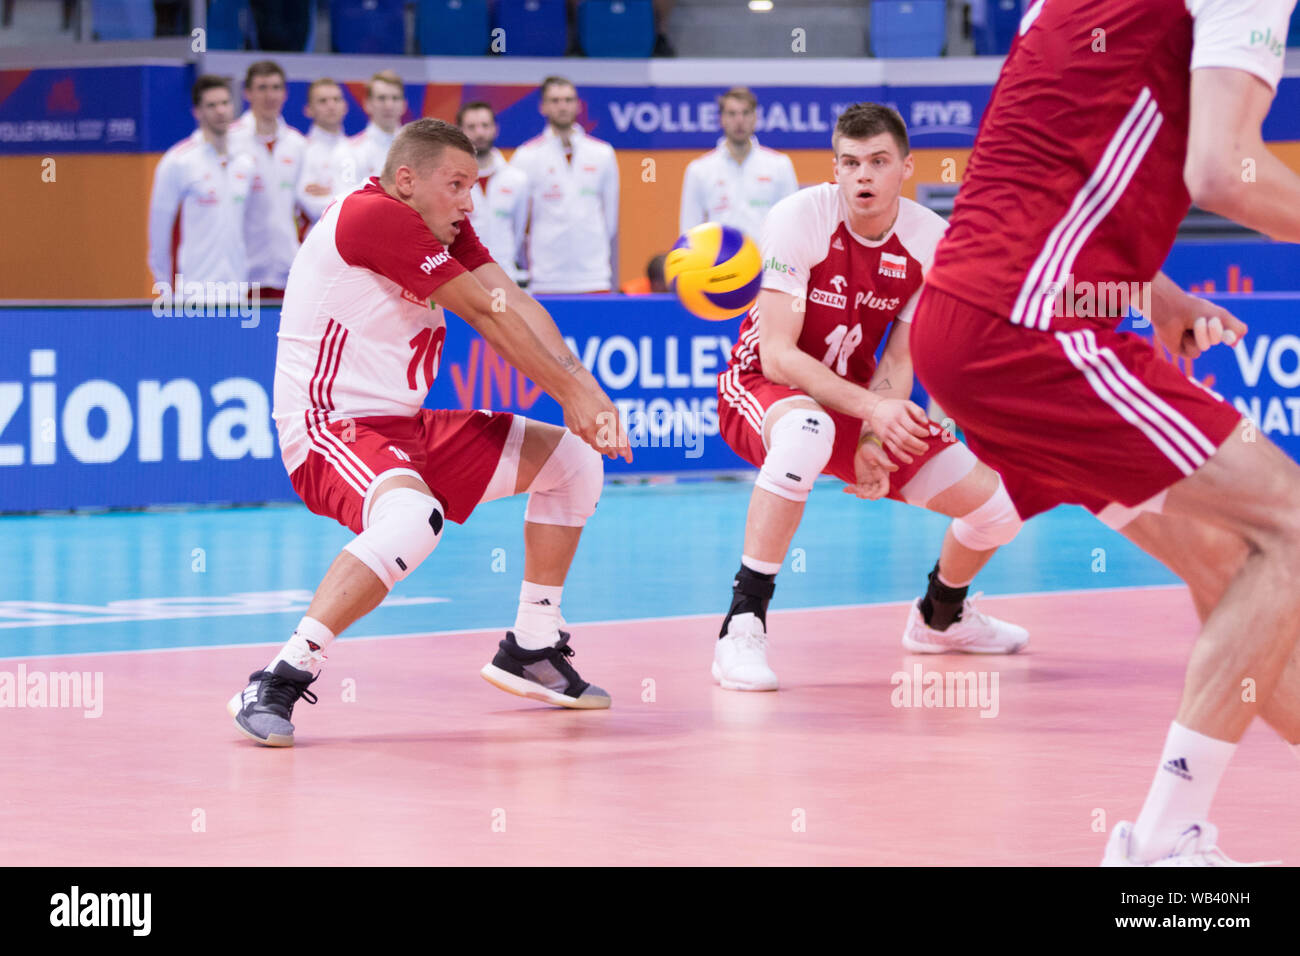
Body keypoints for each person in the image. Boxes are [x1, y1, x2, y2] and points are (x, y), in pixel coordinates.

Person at [909, 0, 1300, 866]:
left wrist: (1152, 293)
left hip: (970, 318)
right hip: (1032, 325)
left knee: (1233, 563)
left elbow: (1056, 153)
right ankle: (1160, 844)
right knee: (1291, 523)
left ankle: (1170, 838)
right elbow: (1226, 172)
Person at [227, 119, 631, 747]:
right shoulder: (373, 217)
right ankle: (278, 675)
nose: (470, 201)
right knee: (415, 519)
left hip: (406, 426)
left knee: (574, 460)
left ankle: (532, 644)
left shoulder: (444, 225)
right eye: (457, 184)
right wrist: (572, 392)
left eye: (474, 185)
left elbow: (514, 304)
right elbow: (481, 315)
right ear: (408, 180)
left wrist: (587, 391)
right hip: (329, 426)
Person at [712, 103, 1028, 692]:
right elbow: (778, 354)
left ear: (905, 168)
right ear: (834, 169)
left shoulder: (931, 240)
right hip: (762, 388)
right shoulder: (798, 217)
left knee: (1000, 508)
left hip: (854, 404)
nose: (863, 176)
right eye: (851, 163)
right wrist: (871, 413)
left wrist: (877, 437)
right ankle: (742, 624)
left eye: (878, 162)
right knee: (808, 432)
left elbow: (901, 358)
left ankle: (941, 616)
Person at [510, 76, 619, 294]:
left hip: (594, 275)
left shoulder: (602, 153)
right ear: (543, 107)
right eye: (555, 100)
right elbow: (517, 222)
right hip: (546, 277)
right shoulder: (526, 155)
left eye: (568, 100)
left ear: (578, 105)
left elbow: (610, 220)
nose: (562, 106)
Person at [147, 75, 255, 291]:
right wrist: (165, 285)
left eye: (225, 103)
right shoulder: (178, 161)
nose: (220, 111)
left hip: (237, 290)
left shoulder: (246, 162)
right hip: (193, 290)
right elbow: (159, 232)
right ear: (197, 112)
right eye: (211, 105)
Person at [229, 60, 307, 296]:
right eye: (262, 88)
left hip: (287, 269)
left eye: (275, 88)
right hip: (242, 273)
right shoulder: (231, 141)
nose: (269, 95)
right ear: (247, 93)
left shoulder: (297, 144)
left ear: (285, 93)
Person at [679, 87, 798, 240]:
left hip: (767, 261)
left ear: (755, 117)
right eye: (732, 114)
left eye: (746, 113)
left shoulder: (780, 165)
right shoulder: (699, 170)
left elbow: (792, 224)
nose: (739, 120)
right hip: (721, 262)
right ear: (721, 119)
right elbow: (689, 232)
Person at [456, 101, 529, 284]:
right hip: (463, 279)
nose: (479, 133)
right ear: (459, 132)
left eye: (485, 126)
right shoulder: (449, 180)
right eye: (472, 127)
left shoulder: (516, 179)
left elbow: (518, 231)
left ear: (495, 129)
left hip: (506, 278)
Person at [336, 70, 408, 193]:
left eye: (395, 98)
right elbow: (347, 198)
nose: (389, 105)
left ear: (404, 105)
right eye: (382, 98)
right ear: (367, 104)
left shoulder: (417, 150)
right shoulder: (349, 150)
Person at [296, 77, 349, 228]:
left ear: (345, 106)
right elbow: (312, 206)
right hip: (314, 240)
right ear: (309, 110)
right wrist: (348, 195)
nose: (331, 105)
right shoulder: (301, 150)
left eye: (336, 99)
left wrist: (332, 192)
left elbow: (370, 201)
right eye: (323, 101)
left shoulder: (358, 150)